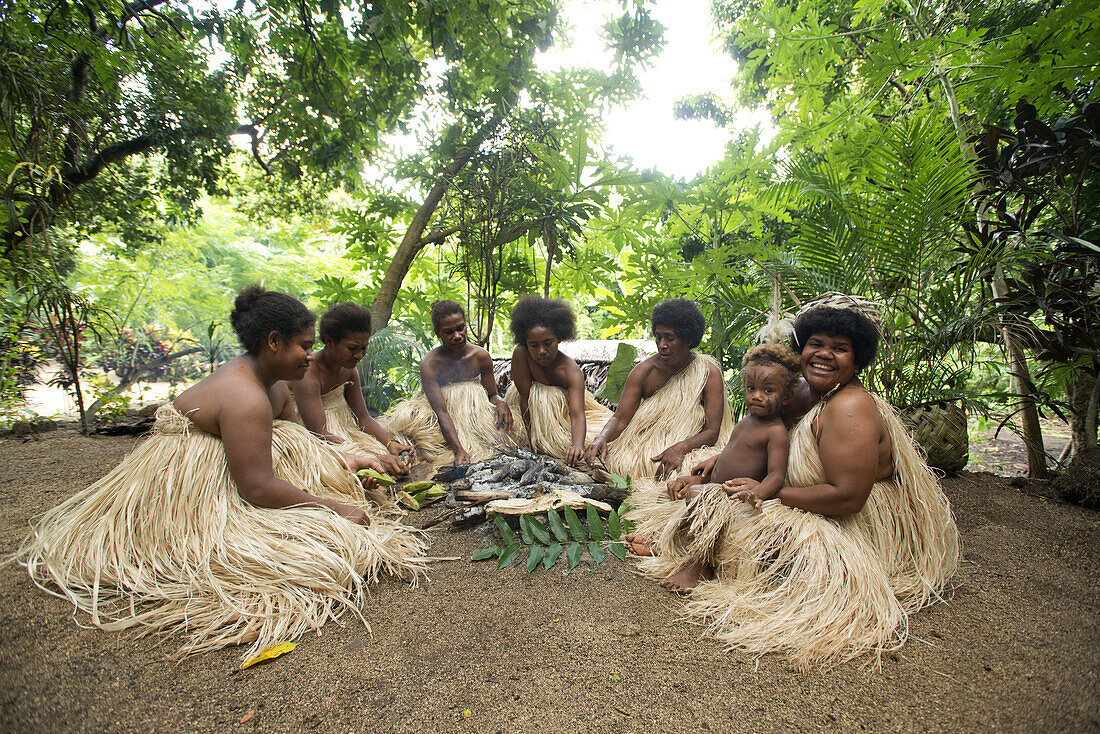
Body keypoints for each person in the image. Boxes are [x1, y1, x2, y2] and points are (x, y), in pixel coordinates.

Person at [18, 286, 425, 661]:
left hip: (244, 475)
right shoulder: (244, 398)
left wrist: (348, 466)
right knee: (329, 552)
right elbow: (255, 486)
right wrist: (332, 507)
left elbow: (302, 449)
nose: (309, 354)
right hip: (185, 492)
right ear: (273, 342)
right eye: (303, 345)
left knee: (353, 511)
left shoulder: (275, 384)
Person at [626, 293, 960, 665]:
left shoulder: (850, 407)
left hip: (849, 515)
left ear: (857, 357)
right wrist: (717, 461)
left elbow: (847, 498)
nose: (824, 354)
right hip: (799, 491)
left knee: (733, 511)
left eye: (840, 348)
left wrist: (768, 492)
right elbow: (761, 437)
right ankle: (683, 546)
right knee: (702, 491)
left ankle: (695, 557)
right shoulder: (802, 393)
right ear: (801, 349)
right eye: (816, 344)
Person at [657, 343, 802, 591]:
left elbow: (777, 474)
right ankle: (662, 545)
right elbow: (733, 450)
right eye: (751, 389)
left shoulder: (775, 432)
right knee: (677, 487)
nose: (757, 396)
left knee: (695, 495)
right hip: (716, 485)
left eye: (768, 390)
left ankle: (701, 565)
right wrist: (712, 463)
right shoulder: (747, 420)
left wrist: (757, 494)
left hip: (733, 497)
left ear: (786, 396)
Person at [583, 299, 732, 480]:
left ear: (688, 340)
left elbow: (712, 432)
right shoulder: (644, 372)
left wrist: (680, 448)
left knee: (690, 473)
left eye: (670, 338)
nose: (662, 344)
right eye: (658, 337)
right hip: (643, 445)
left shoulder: (708, 373)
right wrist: (602, 438)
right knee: (623, 467)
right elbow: (620, 418)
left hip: (691, 445)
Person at [384, 300, 518, 467]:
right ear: (438, 333)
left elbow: (491, 394)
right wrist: (458, 449)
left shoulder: (481, 356)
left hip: (474, 415)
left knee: (511, 432)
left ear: (466, 326)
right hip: (442, 417)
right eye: (448, 332)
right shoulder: (430, 364)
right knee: (420, 435)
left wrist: (501, 402)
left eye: (460, 328)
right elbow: (441, 412)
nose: (457, 336)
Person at [290, 302, 413, 476]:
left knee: (392, 465)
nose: (359, 355)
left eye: (364, 348)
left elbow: (364, 418)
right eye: (352, 348)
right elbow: (319, 433)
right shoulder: (308, 372)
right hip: (319, 442)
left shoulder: (349, 370)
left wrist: (390, 444)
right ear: (329, 341)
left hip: (345, 435)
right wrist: (373, 457)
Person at [504, 295, 611, 465]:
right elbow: (525, 398)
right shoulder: (521, 354)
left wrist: (577, 446)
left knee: (603, 441)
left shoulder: (571, 372)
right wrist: (531, 438)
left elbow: (577, 415)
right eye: (534, 345)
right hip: (528, 414)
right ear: (526, 342)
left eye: (548, 343)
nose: (541, 351)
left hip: (562, 417)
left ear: (559, 338)